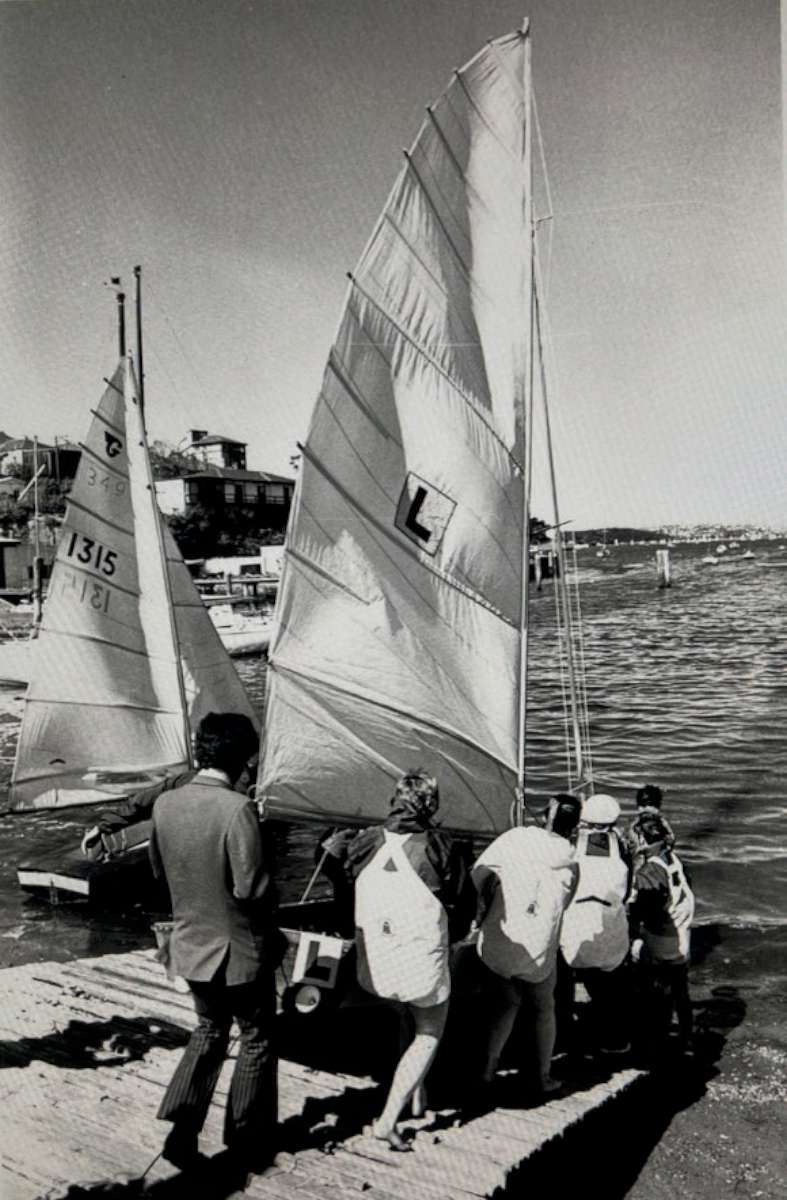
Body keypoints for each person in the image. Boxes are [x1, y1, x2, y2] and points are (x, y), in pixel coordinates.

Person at [149, 712, 283, 1176]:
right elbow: (252, 889)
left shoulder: (166, 804)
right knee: (256, 1038)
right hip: (239, 950)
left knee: (208, 1032)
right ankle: (248, 1142)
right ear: (243, 758)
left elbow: (159, 872)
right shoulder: (237, 809)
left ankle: (180, 1133)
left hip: (189, 942)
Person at [322, 769, 474, 1151]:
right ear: (431, 804)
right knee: (430, 1032)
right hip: (418, 965)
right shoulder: (440, 846)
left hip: (374, 967)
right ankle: (388, 1121)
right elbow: (464, 901)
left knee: (407, 1012)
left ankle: (417, 1098)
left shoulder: (366, 841)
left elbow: (336, 871)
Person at [472, 794, 581, 1099]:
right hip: (537, 956)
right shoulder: (571, 860)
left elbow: (479, 873)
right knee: (545, 1004)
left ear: (545, 816)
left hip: (498, 946)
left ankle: (487, 1069)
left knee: (505, 1001)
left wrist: (486, 908)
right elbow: (566, 903)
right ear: (573, 829)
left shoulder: (515, 837)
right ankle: (542, 1075)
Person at [559, 793, 633, 1054]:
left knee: (563, 974)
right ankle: (615, 1040)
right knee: (610, 987)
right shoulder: (620, 848)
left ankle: (563, 1032)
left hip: (575, 936)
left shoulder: (570, 844)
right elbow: (625, 891)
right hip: (609, 936)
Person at [628, 811, 695, 1056]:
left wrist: (632, 930)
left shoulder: (650, 872)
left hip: (661, 939)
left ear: (643, 841)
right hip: (681, 936)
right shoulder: (674, 860)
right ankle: (686, 1037)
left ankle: (650, 1036)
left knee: (644, 979)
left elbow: (645, 911)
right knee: (681, 990)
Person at [627, 783, 676, 857]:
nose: (646, 808)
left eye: (650, 804)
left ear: (658, 807)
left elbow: (670, 840)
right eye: (642, 805)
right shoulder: (635, 825)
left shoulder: (662, 823)